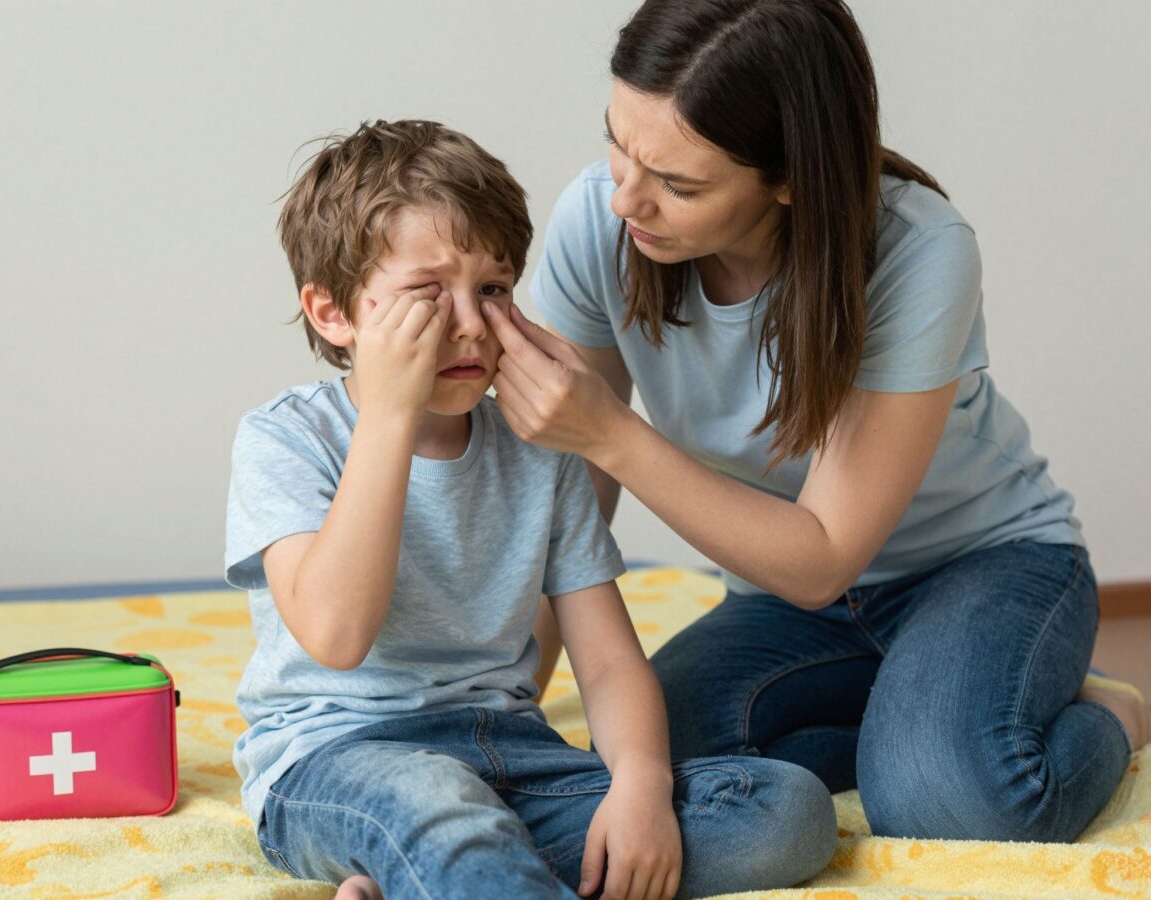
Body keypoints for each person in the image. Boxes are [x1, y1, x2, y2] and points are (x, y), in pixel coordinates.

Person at [484, 0, 1150, 845]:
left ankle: (1109, 714)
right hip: (792, 601)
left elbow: (822, 558)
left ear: (793, 175)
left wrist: (609, 431)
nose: (624, 200)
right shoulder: (605, 221)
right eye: (616, 141)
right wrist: (497, 715)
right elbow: (561, 507)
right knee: (664, 755)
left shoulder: (919, 250)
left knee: (947, 803)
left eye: (678, 185)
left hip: (982, 565)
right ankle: (920, 716)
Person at [224, 119, 837, 900]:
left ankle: (431, 881)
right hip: (341, 758)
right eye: (426, 294)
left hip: (511, 753)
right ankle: (444, 865)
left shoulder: (534, 448)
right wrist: (386, 419)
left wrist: (640, 791)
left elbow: (610, 661)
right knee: (439, 809)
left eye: (493, 288)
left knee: (781, 809)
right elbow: (337, 634)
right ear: (333, 313)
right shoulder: (287, 438)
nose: (472, 323)